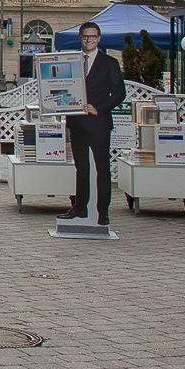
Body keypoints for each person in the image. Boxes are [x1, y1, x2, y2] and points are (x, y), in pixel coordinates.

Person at [67, 22, 126, 224]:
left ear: (99, 39)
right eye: (85, 36)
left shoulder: (109, 63)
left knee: (102, 167)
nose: (88, 40)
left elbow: (119, 93)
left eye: (92, 36)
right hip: (76, 121)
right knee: (81, 167)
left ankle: (103, 211)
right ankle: (80, 207)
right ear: (80, 38)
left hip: (99, 122)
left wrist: (98, 107)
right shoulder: (71, 61)